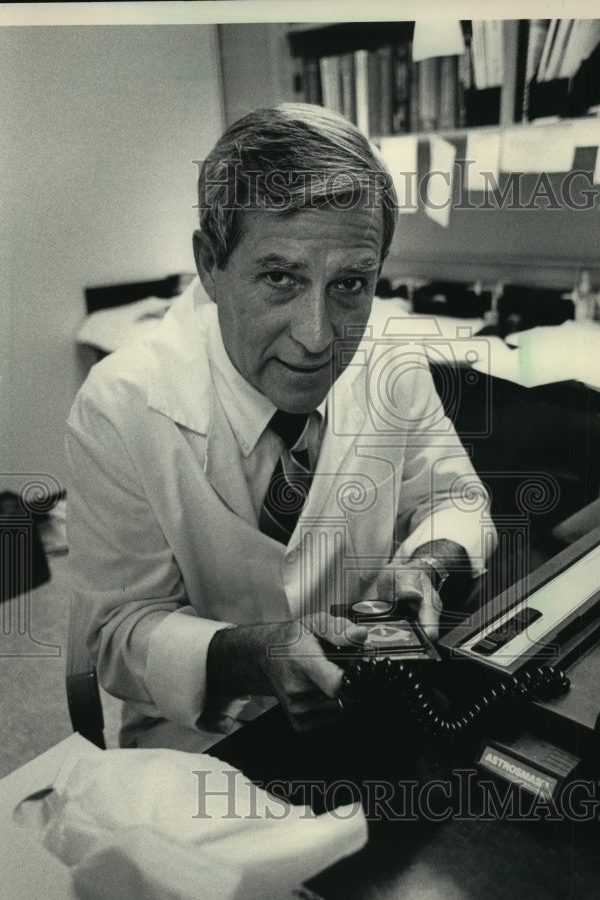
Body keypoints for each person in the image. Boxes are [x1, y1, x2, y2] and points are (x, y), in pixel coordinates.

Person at [65, 103, 497, 750]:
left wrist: (425, 567)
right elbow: (117, 636)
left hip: (367, 705)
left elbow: (453, 500)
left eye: (350, 283)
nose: (317, 337)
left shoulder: (391, 364)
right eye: (278, 277)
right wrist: (258, 654)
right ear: (211, 265)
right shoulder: (120, 405)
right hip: (203, 744)